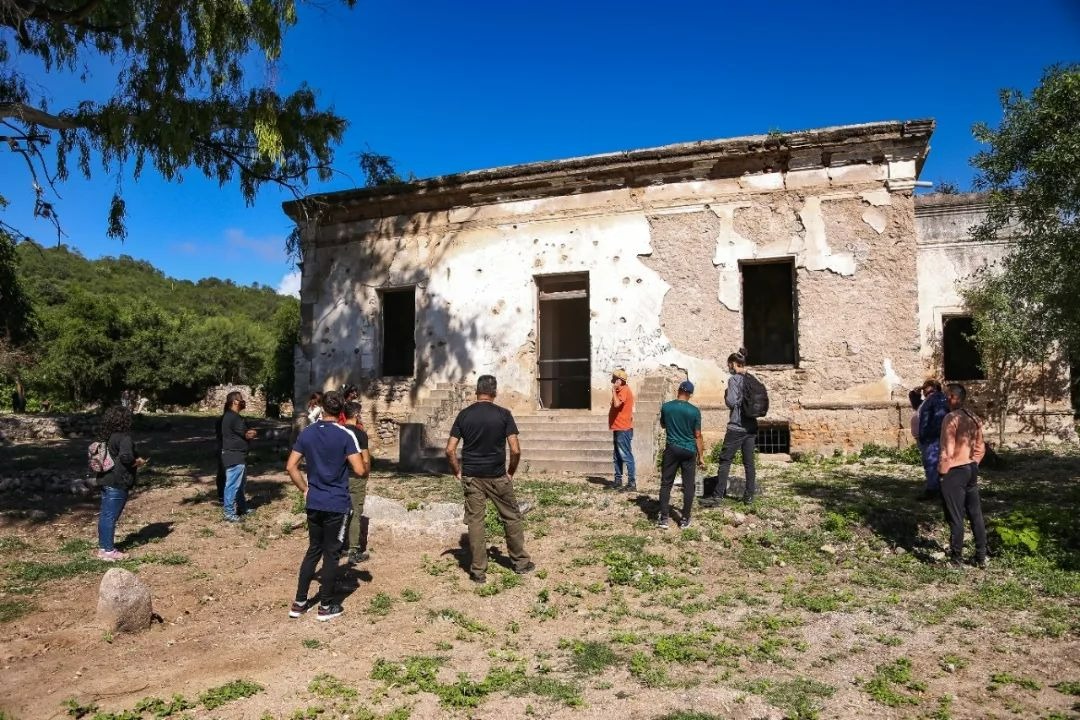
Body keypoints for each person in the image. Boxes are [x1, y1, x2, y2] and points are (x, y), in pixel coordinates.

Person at [286, 390, 368, 621]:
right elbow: (360, 470)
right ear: (342, 410)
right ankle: (326, 606)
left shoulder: (308, 433)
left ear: (321, 407)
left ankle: (300, 602)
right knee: (332, 554)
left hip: (315, 500)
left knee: (314, 549)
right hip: (337, 502)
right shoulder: (346, 435)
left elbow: (291, 466)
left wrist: (305, 489)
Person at [445, 375, 535, 584]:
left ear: (477, 391)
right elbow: (515, 449)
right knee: (511, 517)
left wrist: (457, 471)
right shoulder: (504, 415)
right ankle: (520, 562)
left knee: (475, 522)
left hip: (472, 476)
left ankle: (478, 571)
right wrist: (510, 472)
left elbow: (450, 450)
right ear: (494, 392)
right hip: (496, 475)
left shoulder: (464, 415)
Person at [938, 383, 988, 569]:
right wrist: (974, 463)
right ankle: (981, 556)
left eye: (946, 396)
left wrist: (943, 472)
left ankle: (956, 558)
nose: (945, 400)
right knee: (975, 514)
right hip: (970, 468)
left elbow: (947, 449)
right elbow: (980, 447)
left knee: (956, 515)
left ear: (953, 397)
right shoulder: (973, 417)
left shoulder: (950, 419)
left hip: (955, 471)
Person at [704, 349, 758, 506]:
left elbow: (732, 402)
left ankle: (718, 496)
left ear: (734, 364)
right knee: (749, 463)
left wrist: (726, 395)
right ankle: (749, 496)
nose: (729, 367)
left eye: (729, 364)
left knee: (725, 461)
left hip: (736, 427)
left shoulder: (734, 380)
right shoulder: (753, 379)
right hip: (751, 427)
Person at [95, 406, 147, 561]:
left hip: (105, 478)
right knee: (111, 516)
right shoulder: (124, 438)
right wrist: (137, 461)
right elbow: (126, 457)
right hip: (118, 481)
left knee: (105, 515)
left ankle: (103, 548)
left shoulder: (107, 436)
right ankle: (109, 551)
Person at [657, 380, 704, 529]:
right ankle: (685, 519)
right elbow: (697, 435)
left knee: (666, 483)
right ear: (690, 394)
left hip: (672, 448)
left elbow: (663, 425)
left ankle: (664, 518)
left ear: (678, 390)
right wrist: (701, 457)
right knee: (689, 485)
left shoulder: (666, 407)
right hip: (689, 450)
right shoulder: (695, 411)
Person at [341, 400, 372, 565]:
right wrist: (367, 474)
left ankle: (337, 546)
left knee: (339, 511)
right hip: (356, 476)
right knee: (355, 513)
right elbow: (365, 459)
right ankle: (353, 549)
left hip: (339, 476)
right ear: (357, 414)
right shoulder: (360, 434)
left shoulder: (338, 431)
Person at [220, 391, 257, 522]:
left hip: (236, 455)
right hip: (234, 456)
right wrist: (252, 433)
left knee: (240, 485)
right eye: (241, 399)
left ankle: (242, 507)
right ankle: (229, 513)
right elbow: (246, 434)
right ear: (235, 402)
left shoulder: (230, 416)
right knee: (232, 485)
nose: (243, 402)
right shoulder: (234, 417)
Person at [917, 379, 949, 500]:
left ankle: (933, 490)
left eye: (926, 387)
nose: (924, 390)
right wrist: (914, 394)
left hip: (932, 438)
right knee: (930, 463)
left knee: (931, 463)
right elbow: (917, 406)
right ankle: (934, 488)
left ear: (933, 387)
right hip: (929, 438)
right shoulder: (929, 399)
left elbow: (939, 418)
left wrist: (929, 434)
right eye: (923, 387)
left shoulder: (937, 398)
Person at [609, 368, 636, 491]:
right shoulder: (620, 390)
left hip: (623, 428)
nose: (612, 380)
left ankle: (631, 483)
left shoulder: (624, 390)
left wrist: (614, 390)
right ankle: (618, 480)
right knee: (617, 456)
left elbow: (616, 404)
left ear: (619, 380)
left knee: (626, 455)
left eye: (614, 379)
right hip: (618, 427)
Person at [213, 397, 230, 504]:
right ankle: (223, 497)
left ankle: (223, 497)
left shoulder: (222, 419)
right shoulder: (224, 420)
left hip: (223, 448)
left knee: (223, 473)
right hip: (225, 449)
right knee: (224, 474)